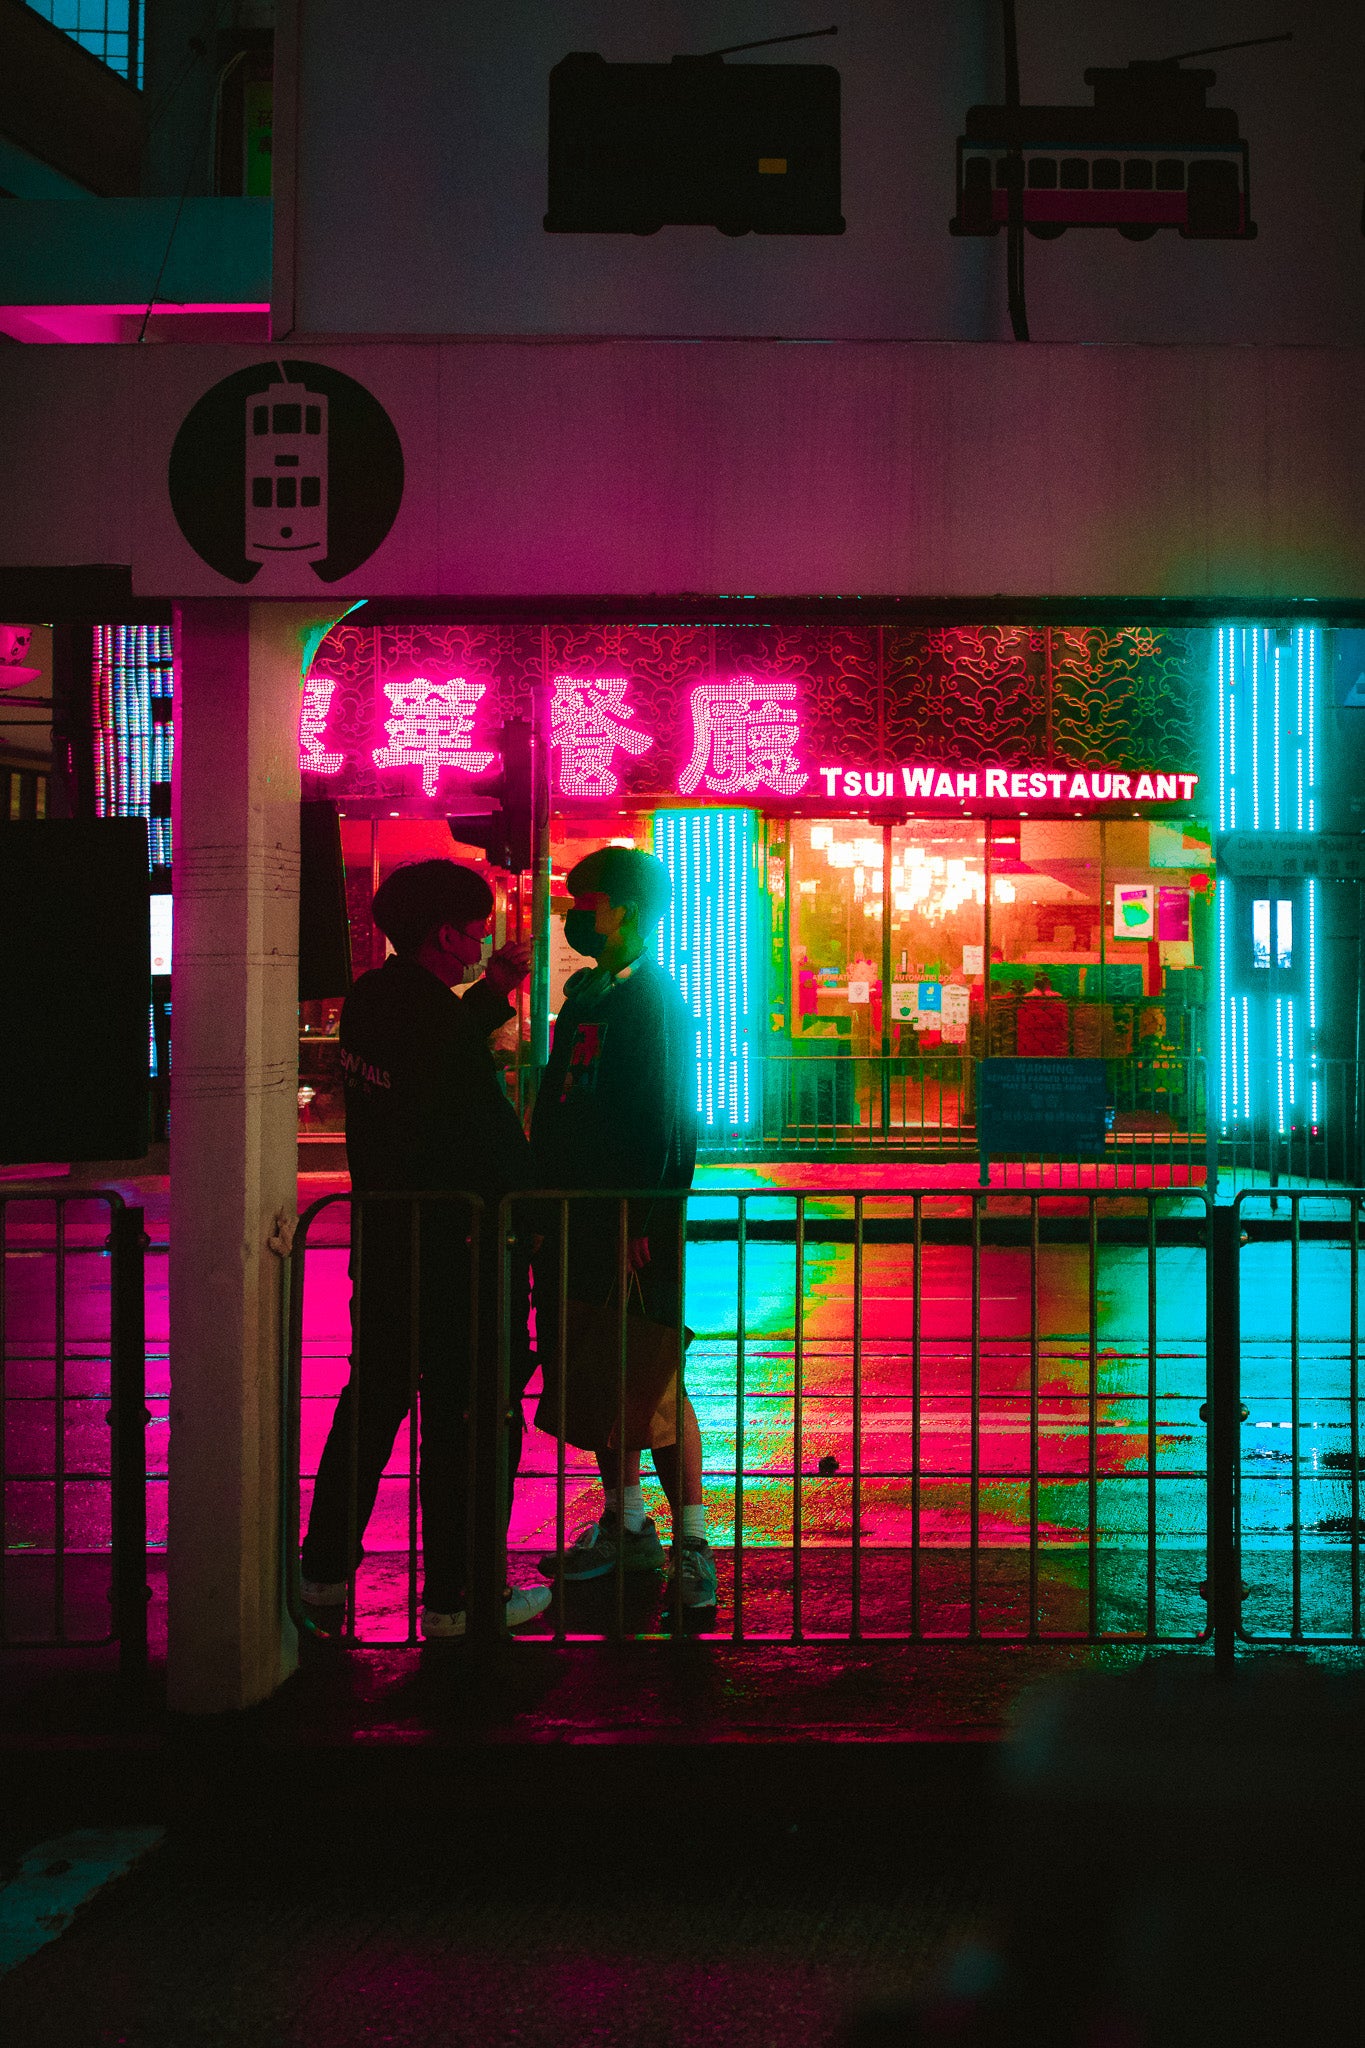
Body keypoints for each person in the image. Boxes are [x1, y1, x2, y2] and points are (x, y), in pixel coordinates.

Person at [300, 859, 551, 1639]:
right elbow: (483, 1126)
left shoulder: (375, 1001)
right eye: (479, 929)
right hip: (459, 1249)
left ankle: (321, 1578)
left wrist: (490, 994)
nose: (484, 941)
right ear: (446, 933)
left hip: (384, 1244)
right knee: (466, 1421)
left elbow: (430, 1049)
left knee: (370, 1404)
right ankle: (458, 1597)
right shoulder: (428, 1019)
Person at [529, 845, 715, 1613]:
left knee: (651, 1373)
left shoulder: (655, 1000)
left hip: (631, 1223)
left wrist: (641, 1211)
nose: (574, 912)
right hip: (575, 1218)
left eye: (587, 898)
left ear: (626, 909)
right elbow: (558, 1101)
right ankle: (624, 1519)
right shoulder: (588, 996)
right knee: (600, 1368)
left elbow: (670, 1118)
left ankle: (692, 1539)